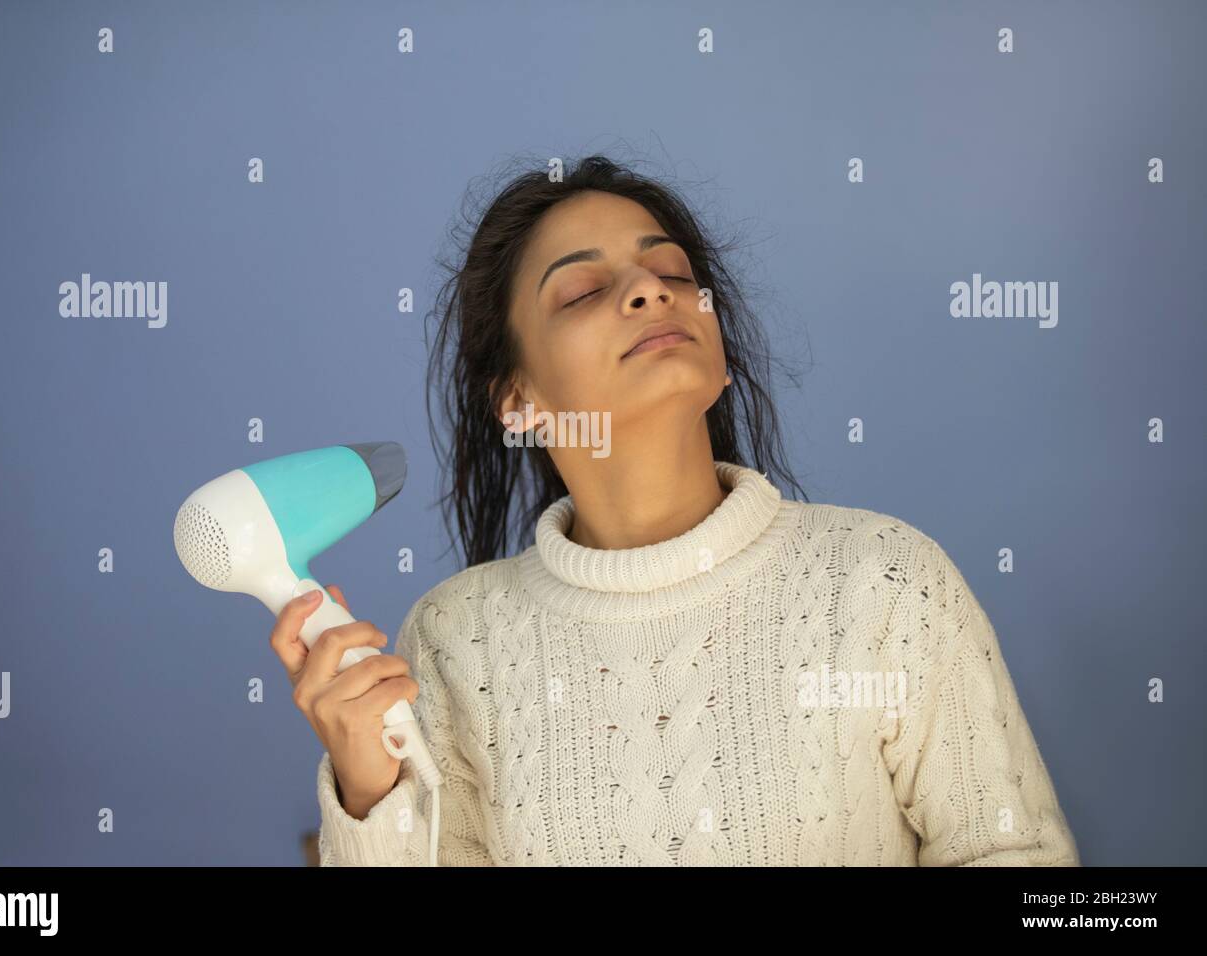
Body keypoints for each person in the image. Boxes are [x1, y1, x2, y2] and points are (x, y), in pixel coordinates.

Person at [270, 155, 1081, 866]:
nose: (652, 290)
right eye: (585, 288)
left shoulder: (886, 584)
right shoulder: (455, 639)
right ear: (517, 400)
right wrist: (367, 792)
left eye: (675, 274)